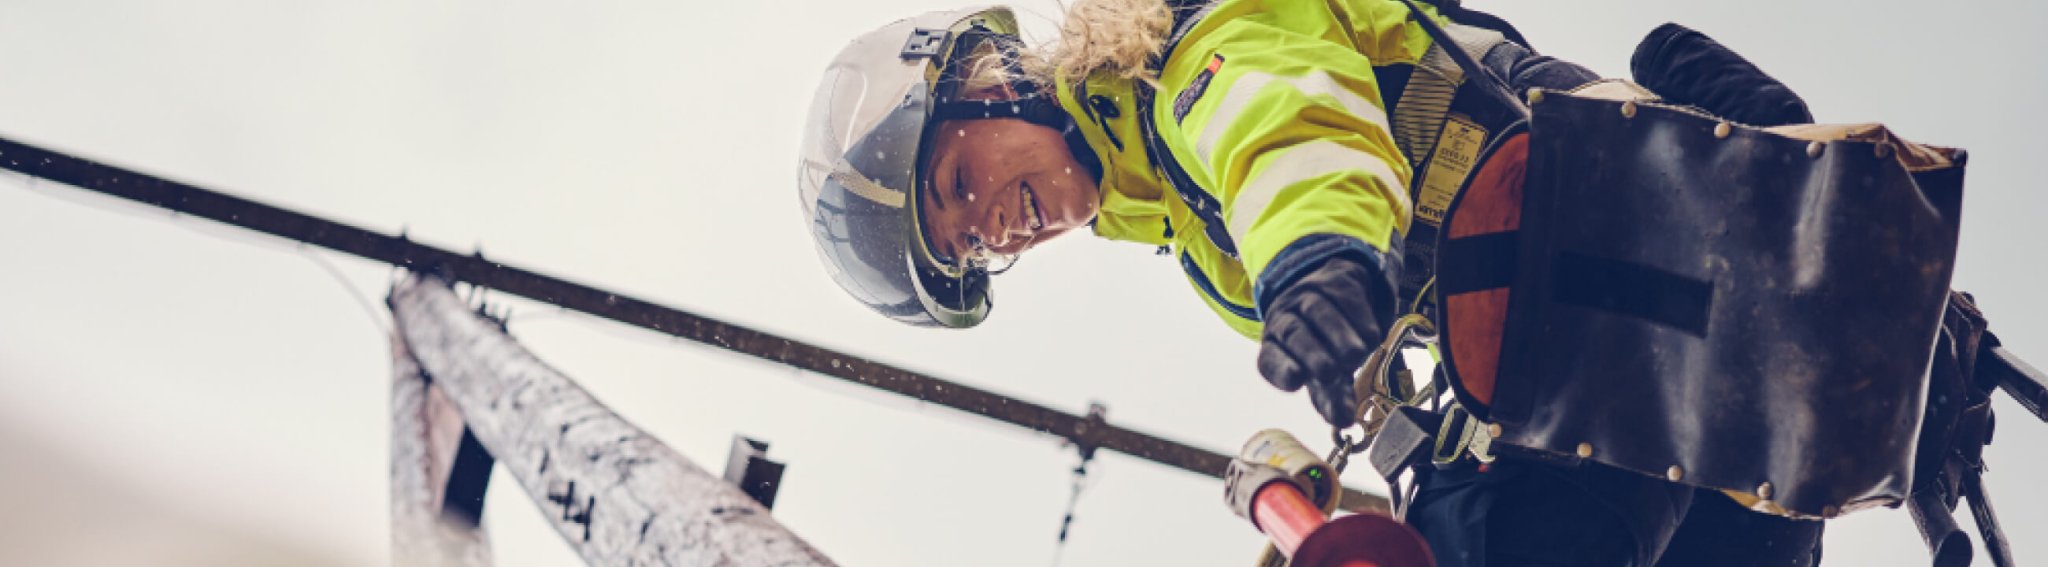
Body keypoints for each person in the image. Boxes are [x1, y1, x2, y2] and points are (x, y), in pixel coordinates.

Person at [796, 1, 1822, 565]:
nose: (985, 229)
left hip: (1596, 236)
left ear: (991, 82)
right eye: (965, 248)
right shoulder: (1189, 233)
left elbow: (1289, 133)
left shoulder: (1192, 49)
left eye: (957, 183)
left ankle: (1769, 189)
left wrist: (1317, 264)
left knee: (1493, 546)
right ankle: (1814, 299)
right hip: (1611, 345)